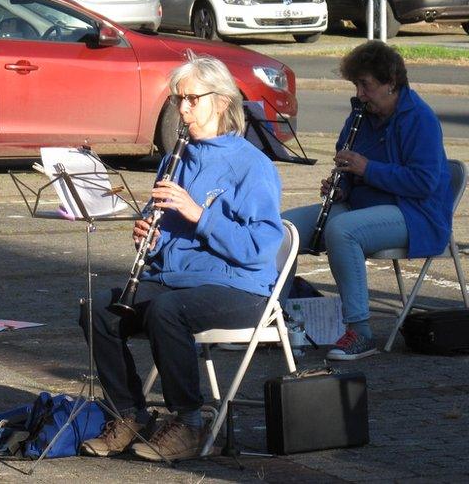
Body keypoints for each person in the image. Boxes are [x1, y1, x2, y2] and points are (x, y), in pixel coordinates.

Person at [78, 54, 284, 461]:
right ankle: (130, 414)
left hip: (239, 286)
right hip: (179, 279)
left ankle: (190, 420)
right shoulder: (177, 158)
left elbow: (260, 246)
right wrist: (148, 236)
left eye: (191, 99)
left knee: (167, 311)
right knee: (98, 308)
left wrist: (199, 215)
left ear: (221, 102)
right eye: (178, 100)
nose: (182, 109)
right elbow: (165, 235)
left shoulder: (251, 166)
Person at [281, 40, 452, 361]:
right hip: (364, 205)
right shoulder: (361, 116)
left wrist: (367, 168)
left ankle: (360, 331)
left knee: (343, 230)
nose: (359, 93)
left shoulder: (420, 119)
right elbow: (350, 167)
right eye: (356, 84)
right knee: (283, 229)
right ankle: (274, 320)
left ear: (391, 83)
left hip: (416, 215)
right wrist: (343, 184)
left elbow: (424, 183)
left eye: (366, 85)